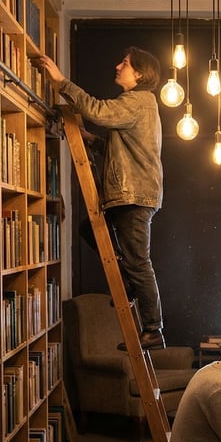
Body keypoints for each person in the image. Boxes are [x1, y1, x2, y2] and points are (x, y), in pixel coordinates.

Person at [31, 47, 167, 350]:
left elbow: (96, 110)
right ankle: (127, 278)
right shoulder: (141, 105)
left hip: (134, 195)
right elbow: (125, 149)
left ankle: (153, 329)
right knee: (89, 230)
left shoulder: (137, 101)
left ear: (140, 74)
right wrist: (90, 140)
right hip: (131, 193)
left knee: (139, 262)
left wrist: (60, 81)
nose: (118, 66)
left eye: (125, 64)